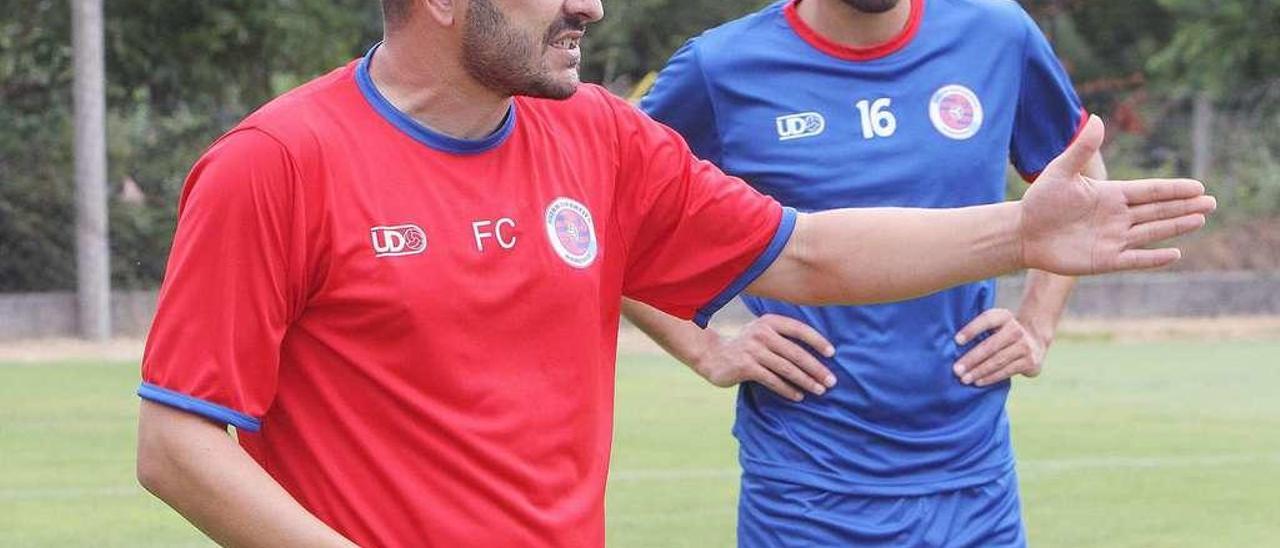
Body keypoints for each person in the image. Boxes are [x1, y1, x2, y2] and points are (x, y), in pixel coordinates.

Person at [133, 0, 1213, 546]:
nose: (591, 5)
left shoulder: (600, 139)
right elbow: (177, 444)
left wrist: (1018, 235)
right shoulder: (277, 165)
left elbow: (808, 251)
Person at [622, 0, 1122, 545]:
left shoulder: (998, 34)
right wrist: (707, 348)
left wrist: (1037, 323)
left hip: (976, 482)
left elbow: (1081, 183)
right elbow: (602, 215)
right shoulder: (721, 67)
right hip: (806, 489)